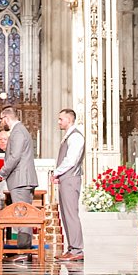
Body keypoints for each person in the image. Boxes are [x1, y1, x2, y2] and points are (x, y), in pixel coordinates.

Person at [0, 106, 38, 256]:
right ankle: (25, 250)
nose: (1, 123)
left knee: (22, 216)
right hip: (21, 179)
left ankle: (24, 252)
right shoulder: (20, 130)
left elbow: (15, 156)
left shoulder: (18, 132)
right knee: (23, 216)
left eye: (1, 120)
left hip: (21, 180)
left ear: (6, 118)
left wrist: (1, 173)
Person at [51, 108, 86, 260]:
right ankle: (72, 248)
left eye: (61, 119)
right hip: (66, 178)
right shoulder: (68, 136)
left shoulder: (76, 137)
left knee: (71, 213)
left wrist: (57, 172)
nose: (59, 122)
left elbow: (71, 160)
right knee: (65, 214)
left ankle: (77, 250)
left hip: (71, 179)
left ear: (70, 120)